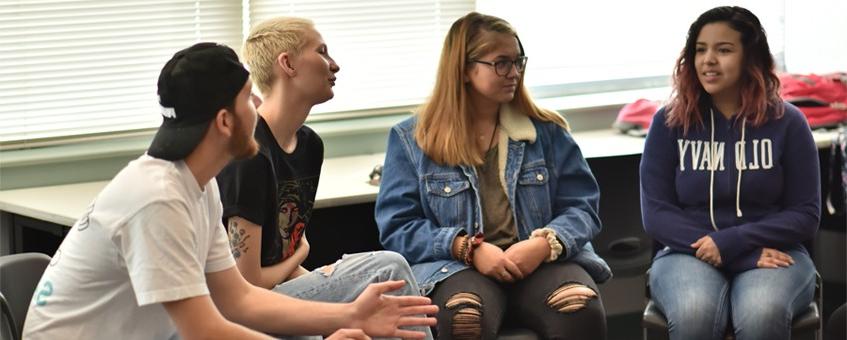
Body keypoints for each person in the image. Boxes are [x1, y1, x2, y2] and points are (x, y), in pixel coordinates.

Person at [22, 42, 437, 340]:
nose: (258, 104)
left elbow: (239, 299)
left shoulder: (195, 185)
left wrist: (347, 315)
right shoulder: (158, 199)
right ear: (225, 121)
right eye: (247, 98)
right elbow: (204, 329)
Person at [374, 11, 611, 340]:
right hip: (459, 269)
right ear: (466, 69)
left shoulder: (547, 132)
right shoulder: (412, 139)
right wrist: (466, 248)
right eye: (501, 63)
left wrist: (543, 245)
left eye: (518, 61)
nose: (513, 73)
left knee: (578, 308)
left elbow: (582, 208)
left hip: (541, 265)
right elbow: (398, 228)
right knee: (464, 319)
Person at [214, 17, 434, 339]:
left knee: (380, 301)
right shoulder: (249, 156)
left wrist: (318, 278)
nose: (335, 65)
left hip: (280, 291)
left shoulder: (310, 146)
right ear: (287, 64)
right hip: (245, 312)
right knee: (390, 268)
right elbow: (247, 286)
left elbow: (283, 259)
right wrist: (305, 257)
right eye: (322, 52)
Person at [640, 6, 820, 340]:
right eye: (700, 49)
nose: (708, 59)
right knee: (695, 313)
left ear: (751, 58)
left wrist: (733, 242)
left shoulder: (789, 122)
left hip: (776, 251)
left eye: (723, 50)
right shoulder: (667, 124)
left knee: (762, 314)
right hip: (684, 251)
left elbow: (805, 214)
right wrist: (735, 253)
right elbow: (657, 214)